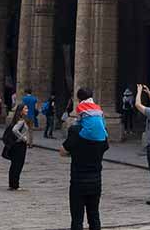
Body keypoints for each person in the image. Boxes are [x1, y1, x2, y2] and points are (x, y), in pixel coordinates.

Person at [61, 87, 110, 230]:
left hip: (78, 181)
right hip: (96, 181)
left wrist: (74, 151)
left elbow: (63, 151)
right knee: (94, 216)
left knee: (77, 219)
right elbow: (105, 147)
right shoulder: (101, 136)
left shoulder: (76, 131)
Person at [3, 103, 30, 190]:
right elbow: (15, 130)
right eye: (25, 109)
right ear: (21, 111)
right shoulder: (21, 121)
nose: (27, 110)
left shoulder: (17, 119)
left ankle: (12, 184)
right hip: (19, 145)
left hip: (15, 145)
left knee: (14, 165)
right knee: (18, 165)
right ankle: (15, 185)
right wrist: (23, 138)